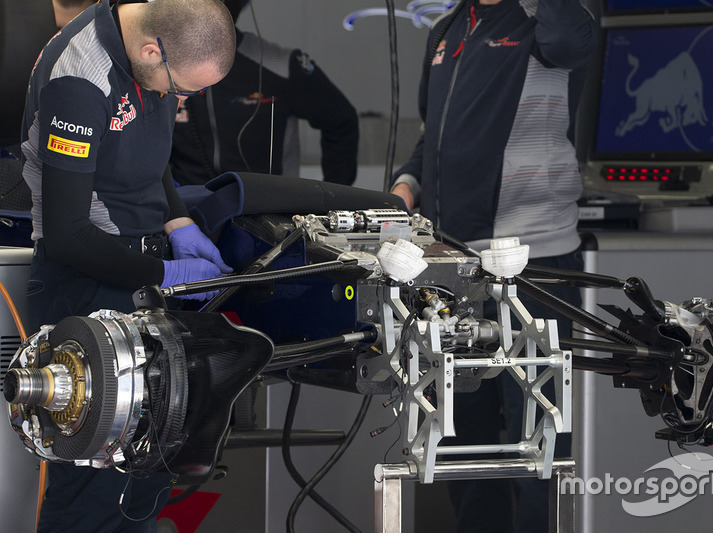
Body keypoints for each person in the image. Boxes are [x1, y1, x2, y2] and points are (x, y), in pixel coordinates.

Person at [19, 0, 236, 531]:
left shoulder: (155, 49)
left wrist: (177, 224)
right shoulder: (79, 78)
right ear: (149, 50)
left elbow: (147, 153)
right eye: (183, 91)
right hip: (88, 284)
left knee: (146, 476)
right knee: (95, 490)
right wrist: (165, 276)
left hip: (145, 274)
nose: (180, 100)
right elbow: (69, 234)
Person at [390, 0, 597, 531]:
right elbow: (430, 135)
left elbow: (576, 42)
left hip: (534, 260)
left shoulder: (544, 18)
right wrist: (407, 184)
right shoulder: (447, 28)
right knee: (460, 431)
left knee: (540, 433)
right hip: (453, 264)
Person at [169, 0, 359, 186]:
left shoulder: (280, 65)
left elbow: (341, 121)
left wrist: (332, 200)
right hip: (183, 210)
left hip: (270, 209)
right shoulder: (160, 69)